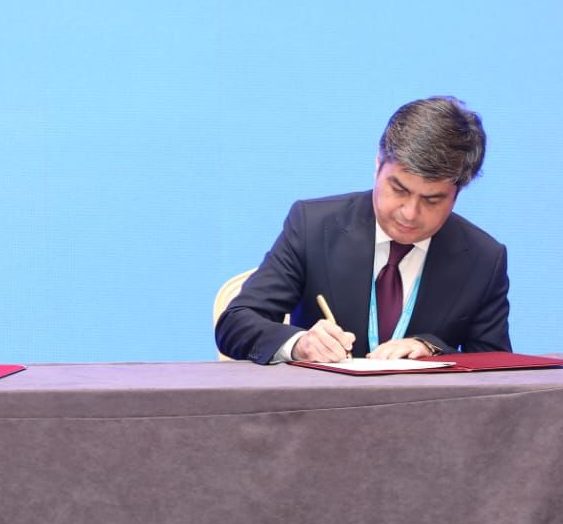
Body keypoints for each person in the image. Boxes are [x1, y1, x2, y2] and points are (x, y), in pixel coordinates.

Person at [216, 96, 510, 364]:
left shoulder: (483, 259)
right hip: (319, 414)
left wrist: (433, 350)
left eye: (432, 200)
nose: (409, 212)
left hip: (427, 417)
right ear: (378, 166)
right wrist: (299, 344)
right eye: (398, 189)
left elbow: (498, 368)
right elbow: (236, 323)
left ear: (458, 193)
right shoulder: (313, 226)